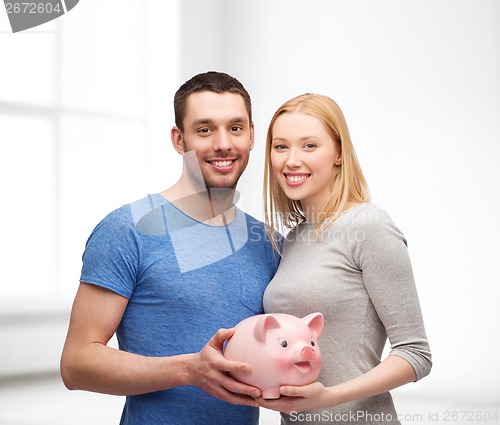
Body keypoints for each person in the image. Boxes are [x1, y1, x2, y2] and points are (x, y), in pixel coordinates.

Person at [60, 71, 280, 425]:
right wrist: (189, 370)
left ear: (252, 135)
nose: (223, 143)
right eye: (205, 129)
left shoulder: (268, 243)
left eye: (235, 128)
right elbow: (76, 364)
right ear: (179, 139)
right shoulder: (127, 229)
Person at [257, 93, 432, 424]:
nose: (291, 160)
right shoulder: (292, 240)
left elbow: (416, 354)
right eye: (281, 147)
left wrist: (328, 397)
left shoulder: (369, 225)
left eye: (309, 145)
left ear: (338, 153)